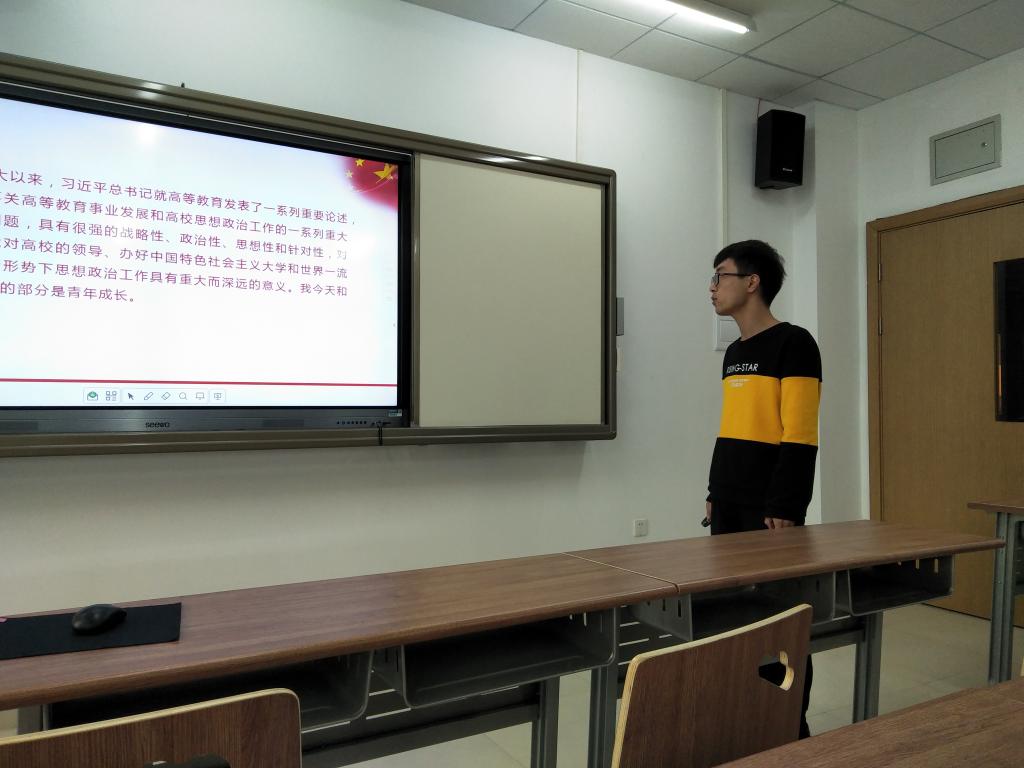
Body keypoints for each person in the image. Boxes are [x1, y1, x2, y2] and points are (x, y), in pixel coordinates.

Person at [705, 239, 821, 738]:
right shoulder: (734, 353)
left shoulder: (794, 343)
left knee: (778, 625)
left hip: (772, 509)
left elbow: (800, 434)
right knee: (732, 620)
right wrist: (714, 490)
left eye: (720, 275)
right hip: (729, 504)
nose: (712, 287)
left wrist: (786, 504)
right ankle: (743, 721)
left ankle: (788, 728)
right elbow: (731, 428)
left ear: (752, 282)